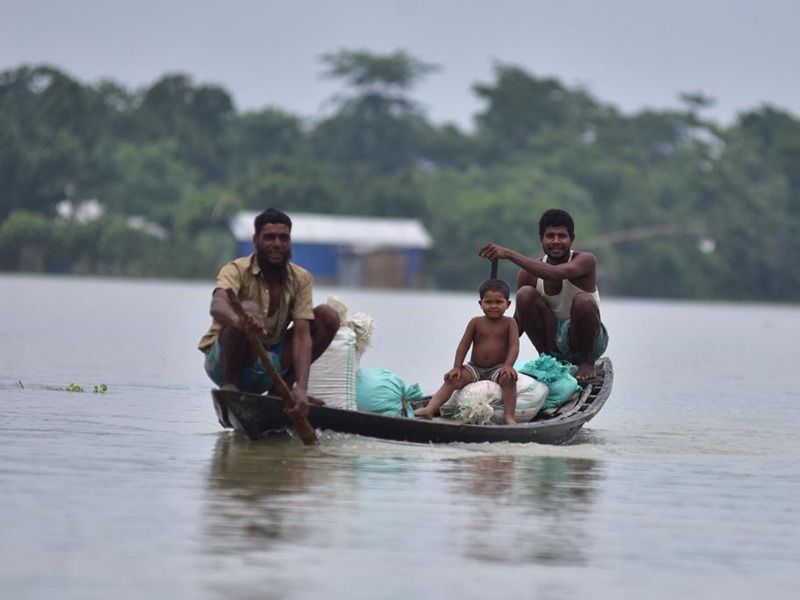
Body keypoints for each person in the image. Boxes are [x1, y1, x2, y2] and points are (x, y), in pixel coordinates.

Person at [198, 208, 339, 418]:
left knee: (329, 316)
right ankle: (230, 386)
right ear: (256, 240)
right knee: (248, 309)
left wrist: (301, 387)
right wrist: (240, 321)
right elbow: (217, 305)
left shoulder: (301, 278)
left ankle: (279, 392)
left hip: (270, 363)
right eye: (269, 238)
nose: (277, 244)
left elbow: (302, 334)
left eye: (283, 238)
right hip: (226, 362)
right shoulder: (236, 269)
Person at [478, 208, 609, 383]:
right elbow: (520, 320)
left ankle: (586, 362)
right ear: (541, 239)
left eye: (562, 236)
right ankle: (546, 360)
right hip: (553, 339)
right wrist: (493, 346)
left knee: (583, 301)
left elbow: (554, 273)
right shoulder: (528, 274)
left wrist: (508, 254)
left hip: (587, 341)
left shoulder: (586, 261)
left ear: (572, 240)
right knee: (525, 294)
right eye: (550, 236)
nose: (556, 241)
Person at [415, 279, 519, 425]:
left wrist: (508, 365)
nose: (493, 306)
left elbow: (514, 346)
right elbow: (463, 345)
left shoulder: (509, 323)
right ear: (480, 303)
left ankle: (509, 416)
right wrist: (457, 367)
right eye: (488, 302)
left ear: (507, 304)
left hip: (498, 368)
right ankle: (430, 408)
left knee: (509, 380)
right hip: (474, 367)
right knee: (452, 380)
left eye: (499, 302)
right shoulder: (476, 322)